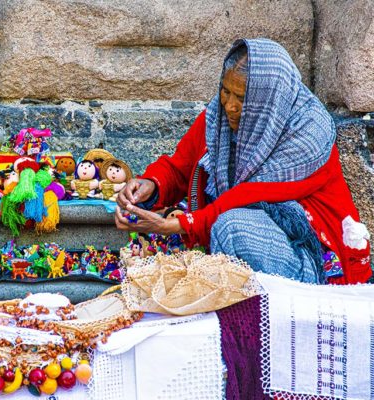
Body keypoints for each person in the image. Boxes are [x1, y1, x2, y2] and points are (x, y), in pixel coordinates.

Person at [115, 38, 371, 284]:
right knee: (223, 229)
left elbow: (248, 195)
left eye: (242, 98)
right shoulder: (217, 118)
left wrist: (178, 224)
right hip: (232, 233)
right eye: (226, 92)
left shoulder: (310, 133)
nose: (230, 106)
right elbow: (179, 167)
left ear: (268, 100)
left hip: (308, 253)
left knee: (233, 229)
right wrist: (150, 185)